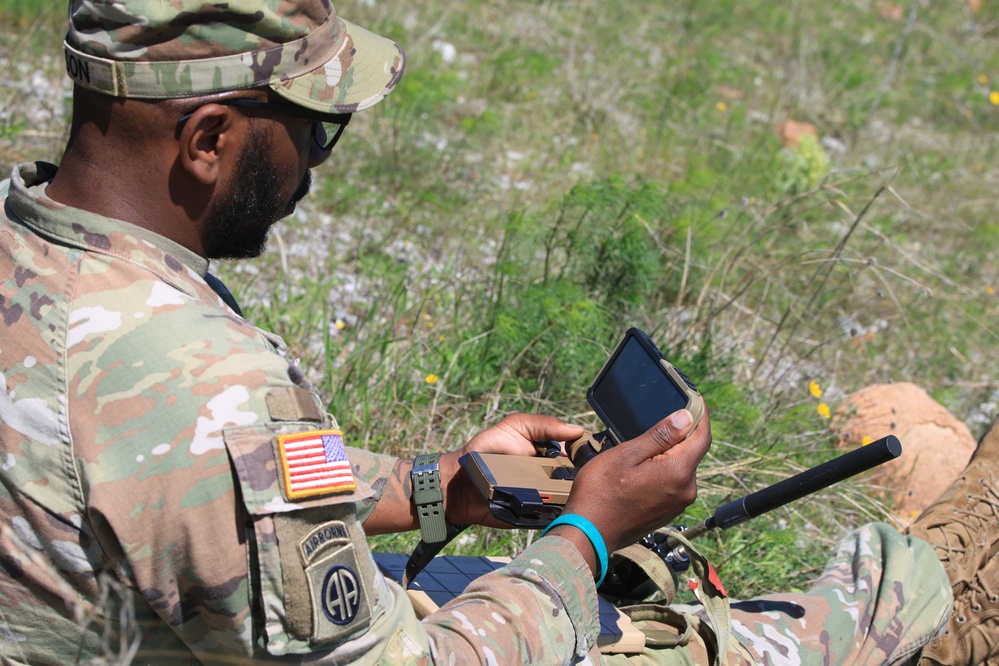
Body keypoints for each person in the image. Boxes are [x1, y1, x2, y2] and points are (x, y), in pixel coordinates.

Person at [0, 1, 994, 664]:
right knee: (824, 617)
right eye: (313, 130)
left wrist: (445, 487)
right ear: (210, 140)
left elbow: (199, 479)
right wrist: (583, 536)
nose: (313, 164)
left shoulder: (44, 263)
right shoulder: (205, 377)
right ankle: (932, 598)